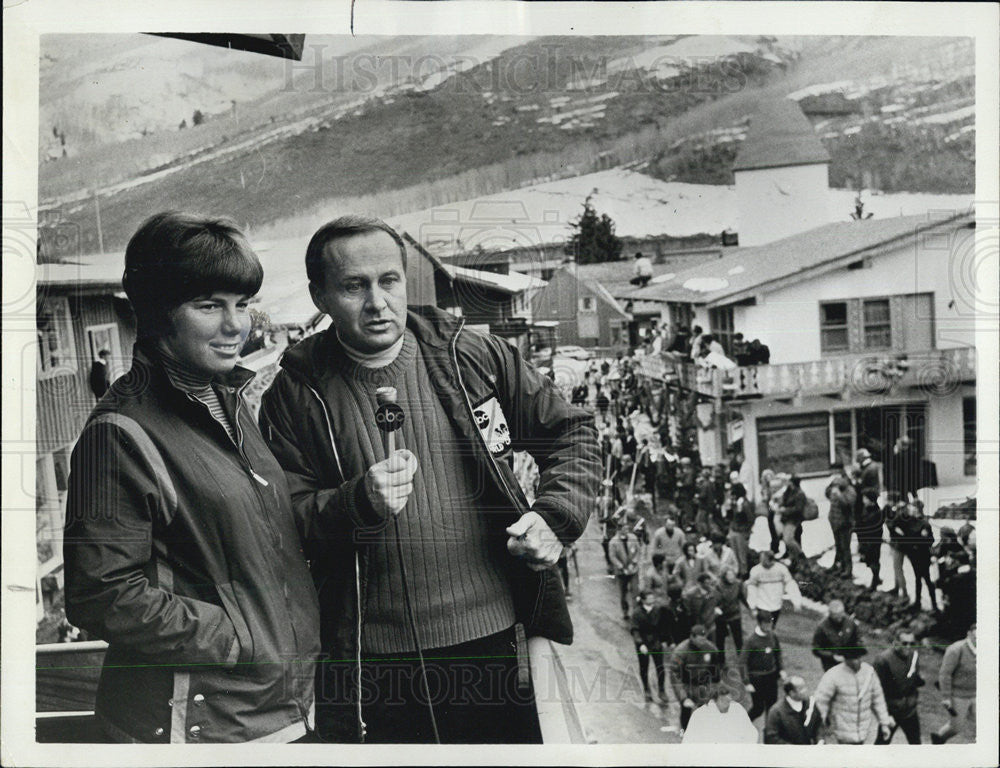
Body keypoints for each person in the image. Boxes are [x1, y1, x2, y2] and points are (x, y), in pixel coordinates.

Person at [259, 215, 601, 743]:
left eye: (389, 281)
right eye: (354, 286)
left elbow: (572, 433)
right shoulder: (296, 393)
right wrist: (356, 502)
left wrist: (555, 519)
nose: (377, 302)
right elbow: (283, 520)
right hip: (374, 663)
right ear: (319, 297)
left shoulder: (469, 355)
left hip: (493, 643)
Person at [63, 212, 321, 743]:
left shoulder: (227, 403)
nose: (236, 326)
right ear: (158, 314)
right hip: (198, 726)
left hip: (279, 710)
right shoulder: (120, 433)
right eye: (209, 306)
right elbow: (102, 594)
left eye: (242, 304)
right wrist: (240, 638)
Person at [813, 645, 893, 745]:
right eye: (851, 658)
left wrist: (884, 723)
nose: (856, 661)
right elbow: (821, 702)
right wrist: (819, 730)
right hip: (840, 734)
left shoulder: (869, 672)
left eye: (858, 657)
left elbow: (878, 698)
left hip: (864, 731)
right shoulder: (833, 675)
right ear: (845, 659)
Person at [669, 624, 724, 733]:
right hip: (686, 684)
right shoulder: (680, 652)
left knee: (705, 710)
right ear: (692, 637)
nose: (702, 643)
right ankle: (684, 731)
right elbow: (675, 675)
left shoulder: (711, 649)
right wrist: (683, 697)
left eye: (704, 639)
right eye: (700, 640)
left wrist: (715, 689)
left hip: (703, 684)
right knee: (686, 710)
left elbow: (715, 670)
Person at [873, 630, 925, 744]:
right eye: (904, 643)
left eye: (912, 643)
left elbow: (912, 678)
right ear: (895, 643)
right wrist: (885, 715)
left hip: (910, 710)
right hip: (892, 710)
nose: (908, 647)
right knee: (881, 744)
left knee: (916, 743)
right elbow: (877, 690)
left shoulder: (914, 656)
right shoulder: (883, 660)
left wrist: (919, 680)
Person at [931, 624, 976, 744]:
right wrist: (946, 697)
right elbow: (945, 674)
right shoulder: (956, 649)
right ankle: (938, 740)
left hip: (977, 694)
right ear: (969, 633)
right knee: (955, 728)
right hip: (959, 695)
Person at [741, 609, 784, 723]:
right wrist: (746, 682)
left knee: (772, 708)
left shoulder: (773, 636)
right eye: (766, 623)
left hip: (771, 676)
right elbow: (742, 662)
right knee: (758, 708)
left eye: (770, 623)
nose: (769, 626)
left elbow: (778, 653)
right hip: (757, 678)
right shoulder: (751, 640)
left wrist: (781, 669)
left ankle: (769, 733)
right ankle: (742, 724)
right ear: (759, 623)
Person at [681, 683, 758, 744]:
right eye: (723, 701)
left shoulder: (737, 709)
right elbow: (690, 741)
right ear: (713, 701)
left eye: (729, 701)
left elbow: (751, 733)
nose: (727, 704)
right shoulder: (700, 714)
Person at [896, 502, 938, 611]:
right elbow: (896, 522)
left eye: (913, 509)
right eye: (911, 509)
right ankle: (919, 601)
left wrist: (919, 541)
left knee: (927, 579)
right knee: (918, 578)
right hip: (914, 555)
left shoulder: (924, 524)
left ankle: (934, 604)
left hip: (923, 555)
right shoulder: (909, 522)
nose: (912, 511)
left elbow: (931, 540)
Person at [745, 550, 801, 627]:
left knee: (771, 627)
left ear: (772, 560)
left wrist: (796, 602)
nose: (762, 563)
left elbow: (790, 584)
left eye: (765, 561)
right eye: (761, 561)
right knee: (764, 627)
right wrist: (752, 606)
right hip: (762, 604)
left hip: (776, 604)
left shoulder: (781, 569)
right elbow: (752, 588)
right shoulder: (756, 570)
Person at [631, 591, 668, 703]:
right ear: (643, 600)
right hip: (644, 643)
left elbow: (663, 626)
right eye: (649, 597)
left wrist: (664, 640)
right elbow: (635, 630)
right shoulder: (637, 613)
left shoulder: (658, 610)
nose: (652, 599)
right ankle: (647, 689)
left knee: (660, 667)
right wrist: (640, 644)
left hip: (656, 642)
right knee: (644, 667)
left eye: (653, 597)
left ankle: (662, 690)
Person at [764, 676, 823, 744]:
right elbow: (772, 737)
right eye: (801, 689)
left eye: (805, 687)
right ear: (792, 693)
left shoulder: (810, 704)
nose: (806, 690)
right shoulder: (776, 711)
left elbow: (819, 724)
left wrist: (820, 739)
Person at [812, 599, 861, 672]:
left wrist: (854, 652)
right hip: (830, 663)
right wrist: (832, 656)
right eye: (836, 617)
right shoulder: (822, 627)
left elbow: (859, 639)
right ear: (830, 614)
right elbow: (816, 649)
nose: (839, 619)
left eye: (841, 615)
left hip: (849, 660)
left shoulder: (851, 623)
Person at [610, 522, 643, 621]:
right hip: (622, 572)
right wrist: (621, 567)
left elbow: (638, 550)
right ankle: (625, 611)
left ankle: (636, 612)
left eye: (627, 529)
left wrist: (634, 562)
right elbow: (612, 557)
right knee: (623, 593)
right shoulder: (613, 542)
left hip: (633, 570)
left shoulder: (633, 538)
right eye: (625, 529)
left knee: (635, 591)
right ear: (619, 530)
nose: (627, 531)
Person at [825, 473, 856, 578]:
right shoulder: (834, 490)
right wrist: (830, 487)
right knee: (839, 547)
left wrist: (839, 495)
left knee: (845, 547)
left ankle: (848, 569)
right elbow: (827, 495)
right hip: (835, 522)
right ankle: (841, 567)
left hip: (845, 523)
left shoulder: (850, 491)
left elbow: (848, 504)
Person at [855, 488, 885, 590]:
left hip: (872, 541)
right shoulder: (867, 509)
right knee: (870, 560)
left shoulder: (876, 513)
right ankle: (876, 578)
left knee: (874, 561)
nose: (863, 500)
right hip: (866, 540)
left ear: (871, 500)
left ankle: (875, 581)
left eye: (865, 498)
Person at [714, 568, 746, 656]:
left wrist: (750, 608)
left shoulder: (738, 584)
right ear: (724, 577)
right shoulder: (718, 585)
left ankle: (741, 656)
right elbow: (715, 600)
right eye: (729, 575)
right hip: (721, 617)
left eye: (733, 575)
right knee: (720, 639)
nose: (731, 578)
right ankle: (721, 660)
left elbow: (742, 597)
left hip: (734, 614)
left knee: (738, 638)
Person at [681, 572, 721, 641]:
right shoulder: (691, 594)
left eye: (709, 583)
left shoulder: (713, 592)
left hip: (711, 624)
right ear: (700, 583)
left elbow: (720, 602)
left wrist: (716, 613)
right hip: (698, 625)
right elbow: (688, 610)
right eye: (706, 583)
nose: (708, 585)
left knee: (712, 646)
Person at [725, 482, 753, 578]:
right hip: (734, 530)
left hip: (740, 532)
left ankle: (743, 573)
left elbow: (750, 519)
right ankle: (738, 572)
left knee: (741, 555)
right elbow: (730, 517)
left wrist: (744, 530)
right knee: (735, 554)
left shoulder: (744, 504)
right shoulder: (736, 503)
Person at [776, 475, 806, 559]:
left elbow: (798, 509)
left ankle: (800, 555)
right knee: (787, 539)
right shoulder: (789, 491)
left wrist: (785, 510)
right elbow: (784, 501)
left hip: (794, 520)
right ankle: (793, 557)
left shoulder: (799, 494)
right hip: (786, 519)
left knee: (788, 539)